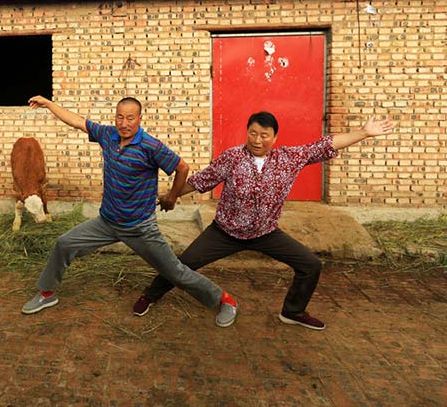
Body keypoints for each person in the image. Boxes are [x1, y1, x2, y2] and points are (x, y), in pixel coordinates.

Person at [132, 111, 396, 330]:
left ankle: (293, 311)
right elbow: (202, 180)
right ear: (247, 132)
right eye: (253, 133)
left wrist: (363, 132)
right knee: (182, 265)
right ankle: (150, 295)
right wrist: (170, 196)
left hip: (266, 233)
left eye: (264, 135)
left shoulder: (288, 159)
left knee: (310, 265)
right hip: (225, 232)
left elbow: (325, 146)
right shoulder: (232, 157)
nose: (257, 140)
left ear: (275, 137)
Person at [21, 95, 238, 327]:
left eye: (130, 118)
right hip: (106, 222)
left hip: (140, 228)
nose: (124, 123)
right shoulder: (107, 135)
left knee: (175, 272)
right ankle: (46, 293)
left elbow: (181, 167)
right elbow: (76, 121)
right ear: (115, 118)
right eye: (120, 117)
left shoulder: (150, 146)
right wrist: (49, 104)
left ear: (140, 119)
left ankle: (225, 299)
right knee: (64, 243)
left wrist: (172, 197)